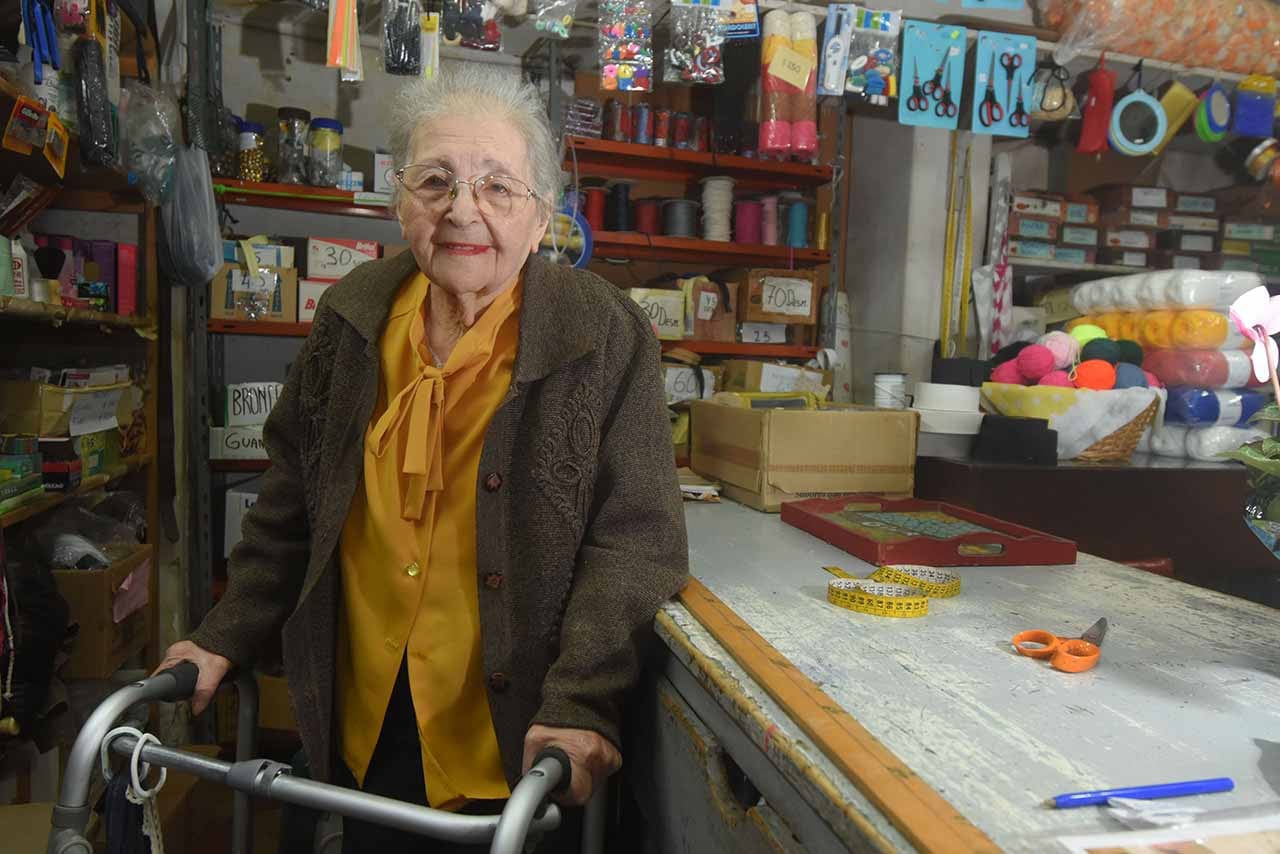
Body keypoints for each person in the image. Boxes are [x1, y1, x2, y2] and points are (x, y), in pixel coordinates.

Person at [160, 64, 689, 852]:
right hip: (368, 717)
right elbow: (291, 506)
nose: (462, 211)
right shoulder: (352, 317)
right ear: (400, 200)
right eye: (435, 181)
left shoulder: (605, 335)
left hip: (519, 743)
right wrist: (223, 633)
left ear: (542, 217)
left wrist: (581, 702)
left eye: (498, 187)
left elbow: (635, 542)